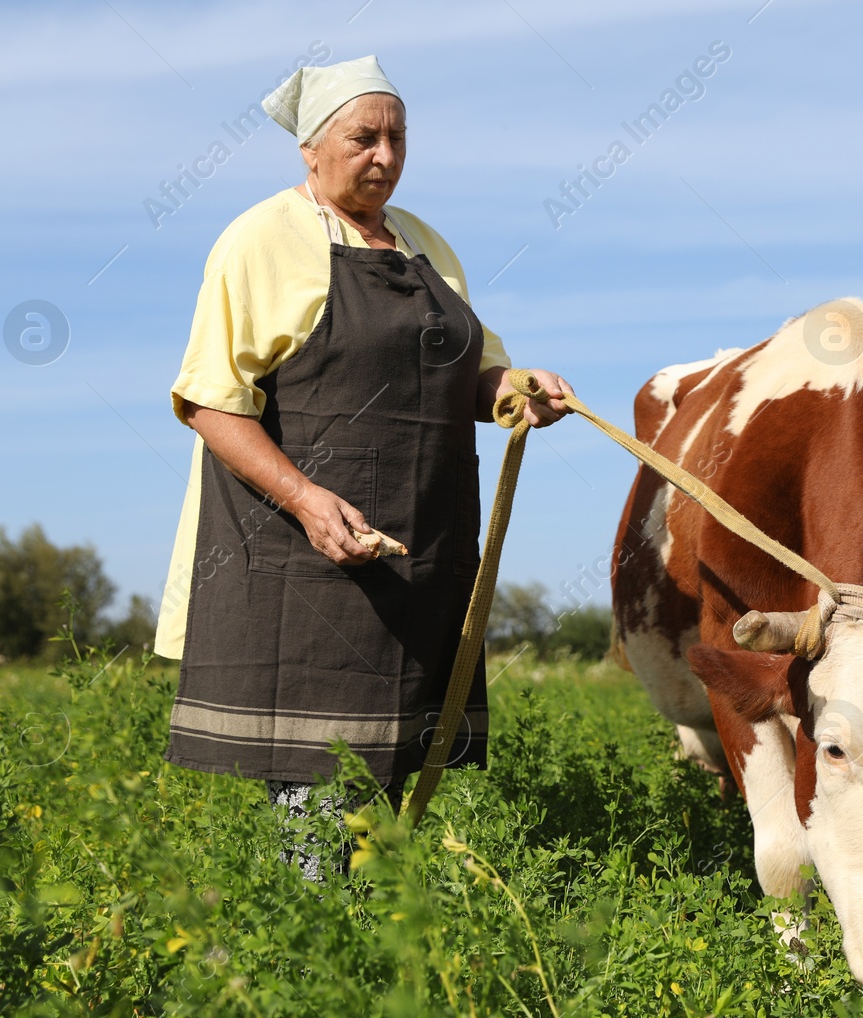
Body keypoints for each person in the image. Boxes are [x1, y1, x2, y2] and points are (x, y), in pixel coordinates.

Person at [153, 54, 572, 878]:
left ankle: (369, 970)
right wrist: (308, 501)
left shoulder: (425, 244)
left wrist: (516, 387)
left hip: (414, 553)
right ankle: (313, 976)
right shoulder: (260, 238)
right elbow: (208, 401)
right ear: (311, 149)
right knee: (317, 798)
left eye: (397, 137)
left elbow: (472, 374)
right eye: (363, 137)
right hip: (300, 568)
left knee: (384, 796)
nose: (384, 155)